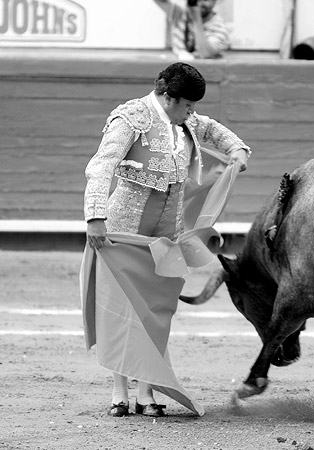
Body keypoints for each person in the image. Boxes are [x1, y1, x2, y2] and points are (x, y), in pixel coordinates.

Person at [81, 62, 250, 418]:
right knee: (123, 309)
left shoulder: (184, 119)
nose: (193, 112)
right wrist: (95, 217)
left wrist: (237, 150)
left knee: (157, 309)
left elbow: (214, 130)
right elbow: (101, 165)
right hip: (124, 226)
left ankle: (146, 392)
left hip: (168, 230)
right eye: (188, 105)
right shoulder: (131, 117)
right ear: (169, 97)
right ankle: (118, 391)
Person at [153, 0, 230, 60]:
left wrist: (196, 19)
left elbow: (206, 54)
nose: (199, 3)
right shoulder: (180, 14)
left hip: (205, 74)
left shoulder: (219, 26)